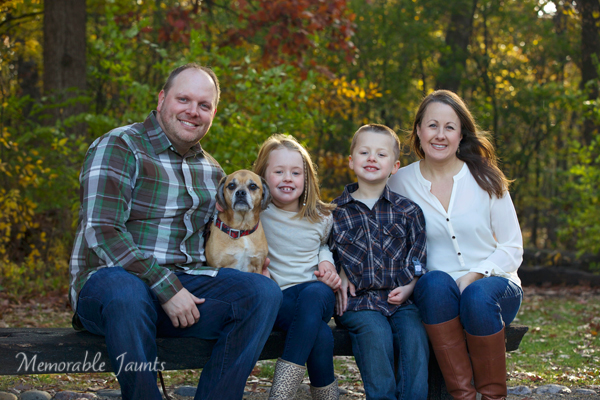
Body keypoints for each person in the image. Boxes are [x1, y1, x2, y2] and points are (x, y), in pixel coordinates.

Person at [69, 63, 282, 400]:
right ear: (161, 99)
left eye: (204, 105)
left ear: (213, 113)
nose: (193, 112)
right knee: (127, 291)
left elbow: (223, 237)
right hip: (111, 287)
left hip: (183, 292)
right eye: (184, 99)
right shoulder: (121, 146)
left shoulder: (213, 172)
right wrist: (166, 287)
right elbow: (103, 231)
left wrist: (252, 270)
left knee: (262, 293)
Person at [388, 90, 523, 400]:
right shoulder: (399, 183)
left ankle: (491, 397)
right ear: (419, 131)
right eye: (432, 125)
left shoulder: (487, 179)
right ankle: (463, 396)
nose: (440, 134)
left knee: (476, 296)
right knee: (435, 282)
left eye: (450, 127)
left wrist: (473, 275)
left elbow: (512, 248)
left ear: (461, 134)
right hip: (437, 295)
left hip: (494, 286)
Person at [330, 124, 429, 400]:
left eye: (381, 154)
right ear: (351, 161)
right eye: (364, 152)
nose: (372, 158)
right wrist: (339, 272)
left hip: (400, 300)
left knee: (414, 336)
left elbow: (418, 257)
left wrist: (410, 286)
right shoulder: (334, 213)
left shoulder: (409, 211)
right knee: (375, 334)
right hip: (358, 303)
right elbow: (323, 253)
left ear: (394, 166)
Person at [252, 134, 342, 400]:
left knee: (316, 293)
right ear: (263, 175)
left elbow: (327, 247)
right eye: (279, 171)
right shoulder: (257, 215)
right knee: (321, 335)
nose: (287, 178)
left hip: (318, 293)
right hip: (280, 300)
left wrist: (327, 260)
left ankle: (281, 393)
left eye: (295, 172)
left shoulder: (322, 217)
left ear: (307, 178)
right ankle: (321, 396)